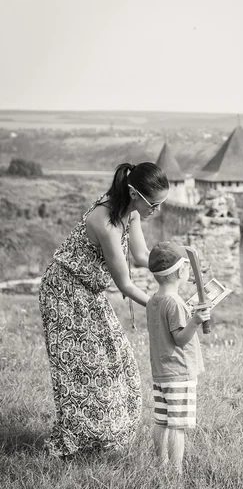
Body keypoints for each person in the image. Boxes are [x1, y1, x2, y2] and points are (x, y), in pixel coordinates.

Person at [39, 162, 169, 458]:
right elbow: (124, 284)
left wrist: (172, 264)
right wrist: (162, 306)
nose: (158, 210)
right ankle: (74, 441)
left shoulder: (132, 211)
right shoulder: (106, 222)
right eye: (155, 204)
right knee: (82, 367)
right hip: (64, 291)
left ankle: (102, 439)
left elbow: (140, 257)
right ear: (134, 192)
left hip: (90, 292)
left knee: (118, 361)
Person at [146, 241, 211, 474]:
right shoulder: (175, 303)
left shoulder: (154, 300)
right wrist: (195, 321)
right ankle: (175, 471)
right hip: (179, 373)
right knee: (178, 426)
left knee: (161, 421)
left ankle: (160, 463)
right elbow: (180, 339)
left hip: (161, 373)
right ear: (182, 272)